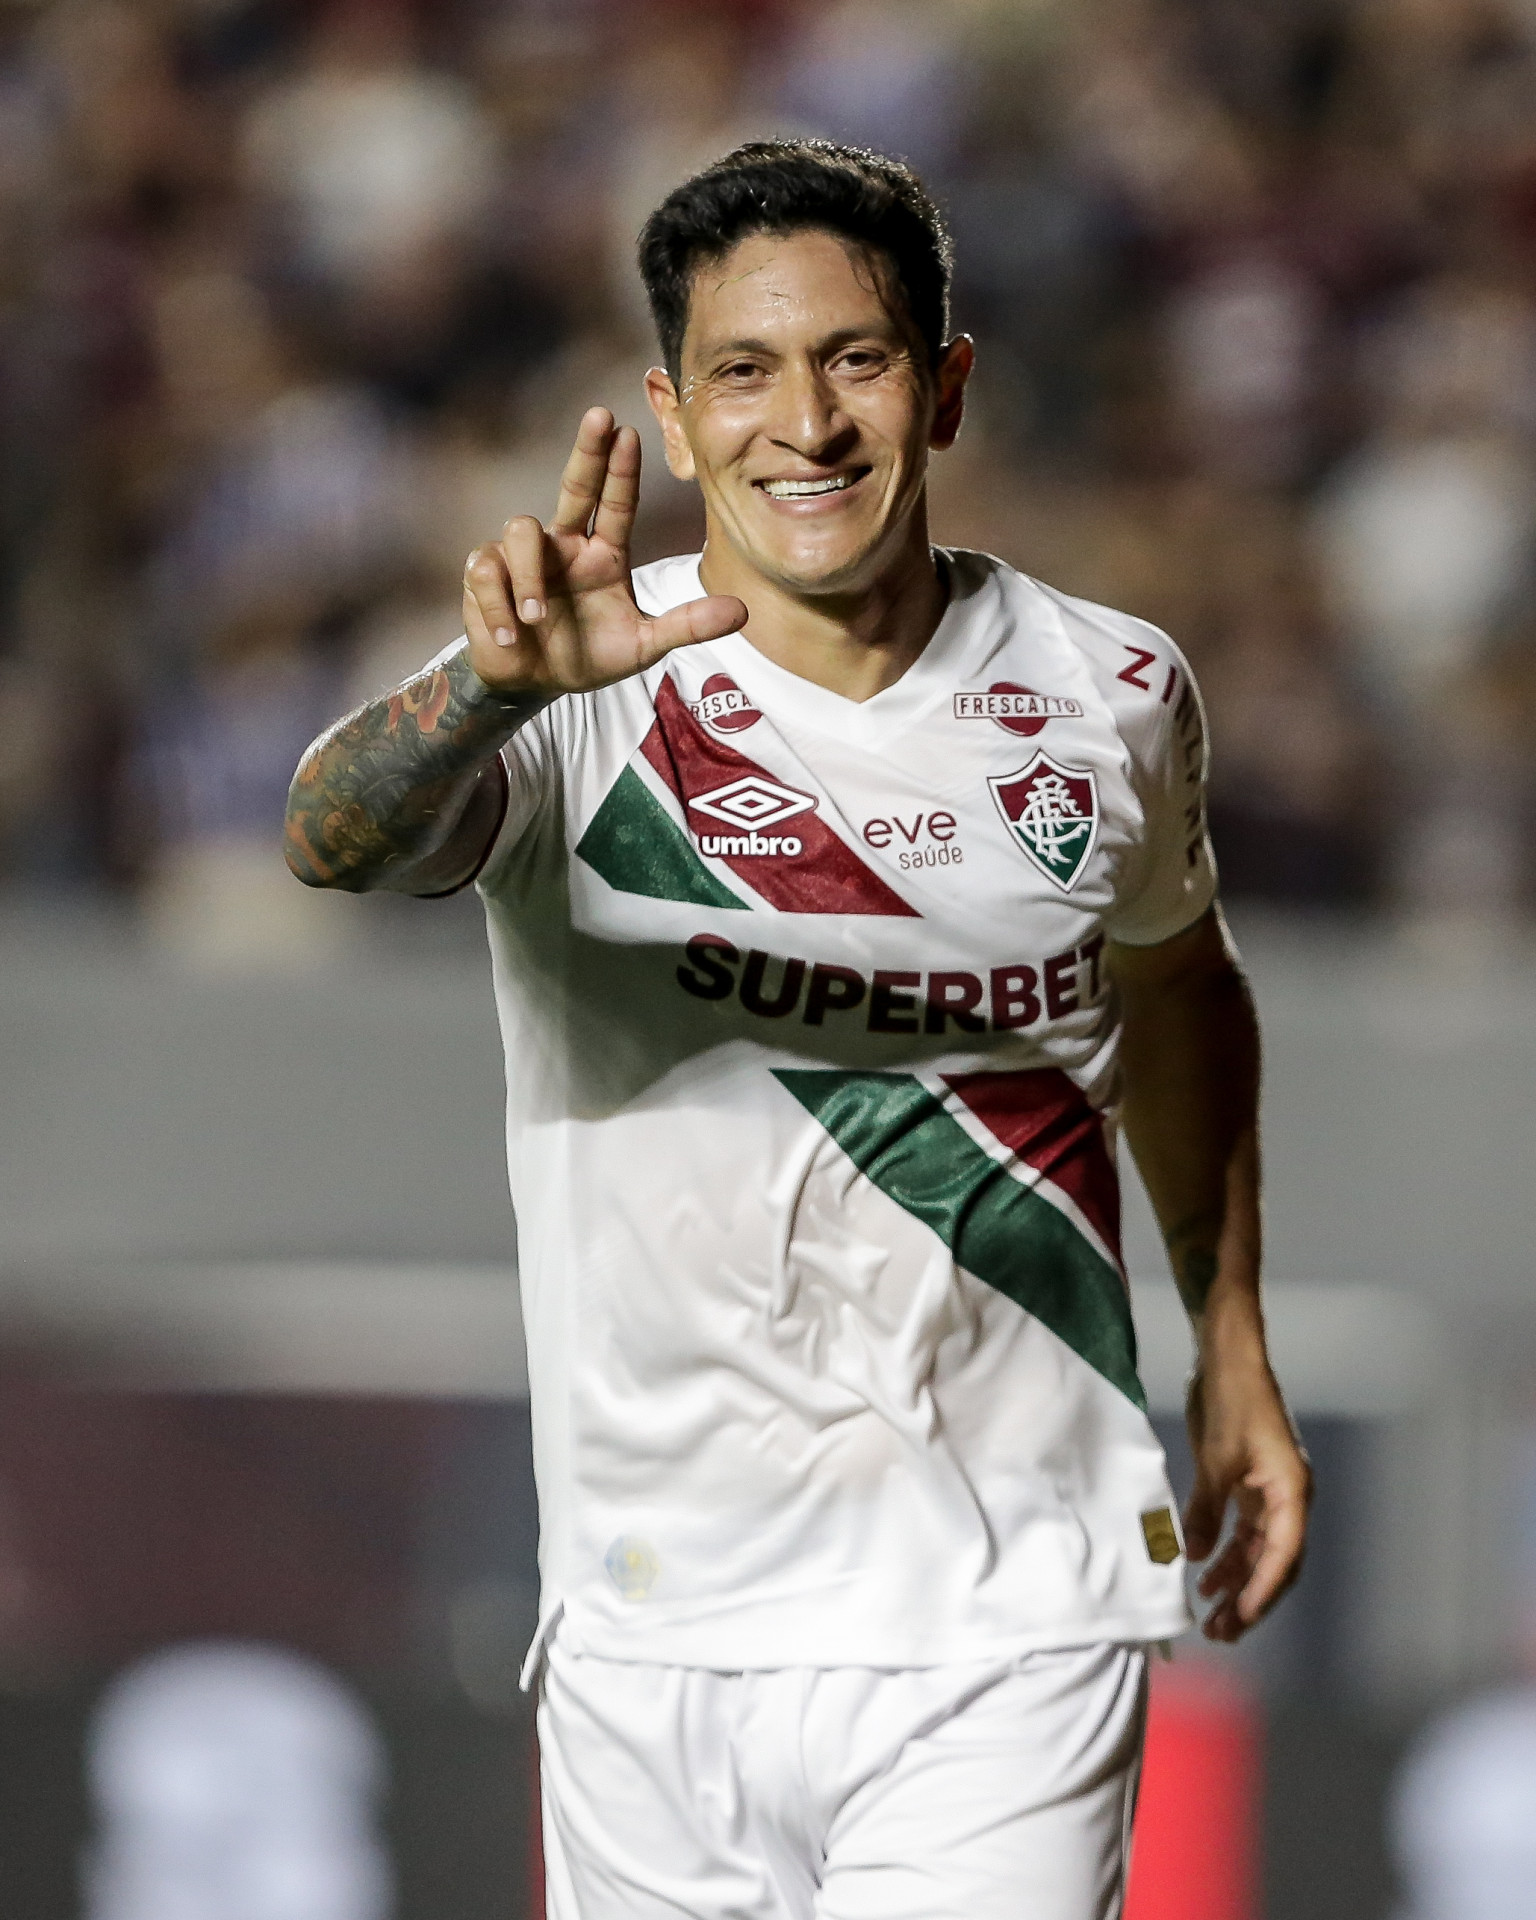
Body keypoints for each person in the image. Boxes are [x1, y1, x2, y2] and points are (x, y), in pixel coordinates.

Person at [285, 139, 1311, 1920]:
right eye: (746, 373)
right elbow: (332, 837)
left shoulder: (1110, 690)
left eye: (858, 359)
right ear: (677, 422)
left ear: (948, 384)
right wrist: (479, 695)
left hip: (1010, 1607)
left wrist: (1229, 1338)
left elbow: (1176, 977)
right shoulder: (591, 697)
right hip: (650, 1616)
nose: (808, 425)